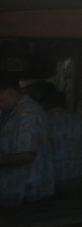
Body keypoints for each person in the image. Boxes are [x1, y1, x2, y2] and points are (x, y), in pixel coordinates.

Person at [0, 73, 53, 206]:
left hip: (26, 196)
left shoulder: (27, 113)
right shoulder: (10, 112)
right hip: (13, 195)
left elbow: (26, 156)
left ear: (10, 92)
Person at [39, 83, 82, 202]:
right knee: (79, 213)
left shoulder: (38, 122)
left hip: (47, 178)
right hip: (77, 176)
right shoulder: (79, 120)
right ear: (65, 103)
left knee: (51, 216)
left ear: (44, 103)